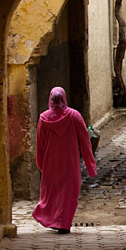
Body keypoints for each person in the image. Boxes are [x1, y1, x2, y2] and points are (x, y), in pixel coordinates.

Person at [32, 87, 97, 234]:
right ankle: (63, 222)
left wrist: (41, 165)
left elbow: (40, 145)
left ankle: (55, 220)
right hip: (70, 164)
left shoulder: (43, 118)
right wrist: (90, 164)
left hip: (51, 164)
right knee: (68, 194)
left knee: (52, 194)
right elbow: (85, 141)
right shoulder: (75, 116)